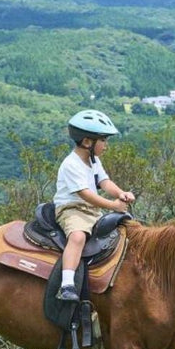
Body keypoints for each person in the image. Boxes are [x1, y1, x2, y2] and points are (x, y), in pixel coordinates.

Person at [53, 109, 135, 301]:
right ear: (87, 142)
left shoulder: (93, 160)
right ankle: (67, 284)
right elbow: (86, 194)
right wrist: (113, 206)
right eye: (103, 140)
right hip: (72, 209)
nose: (106, 145)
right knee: (78, 237)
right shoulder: (71, 164)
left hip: (91, 211)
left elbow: (104, 182)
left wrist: (120, 193)